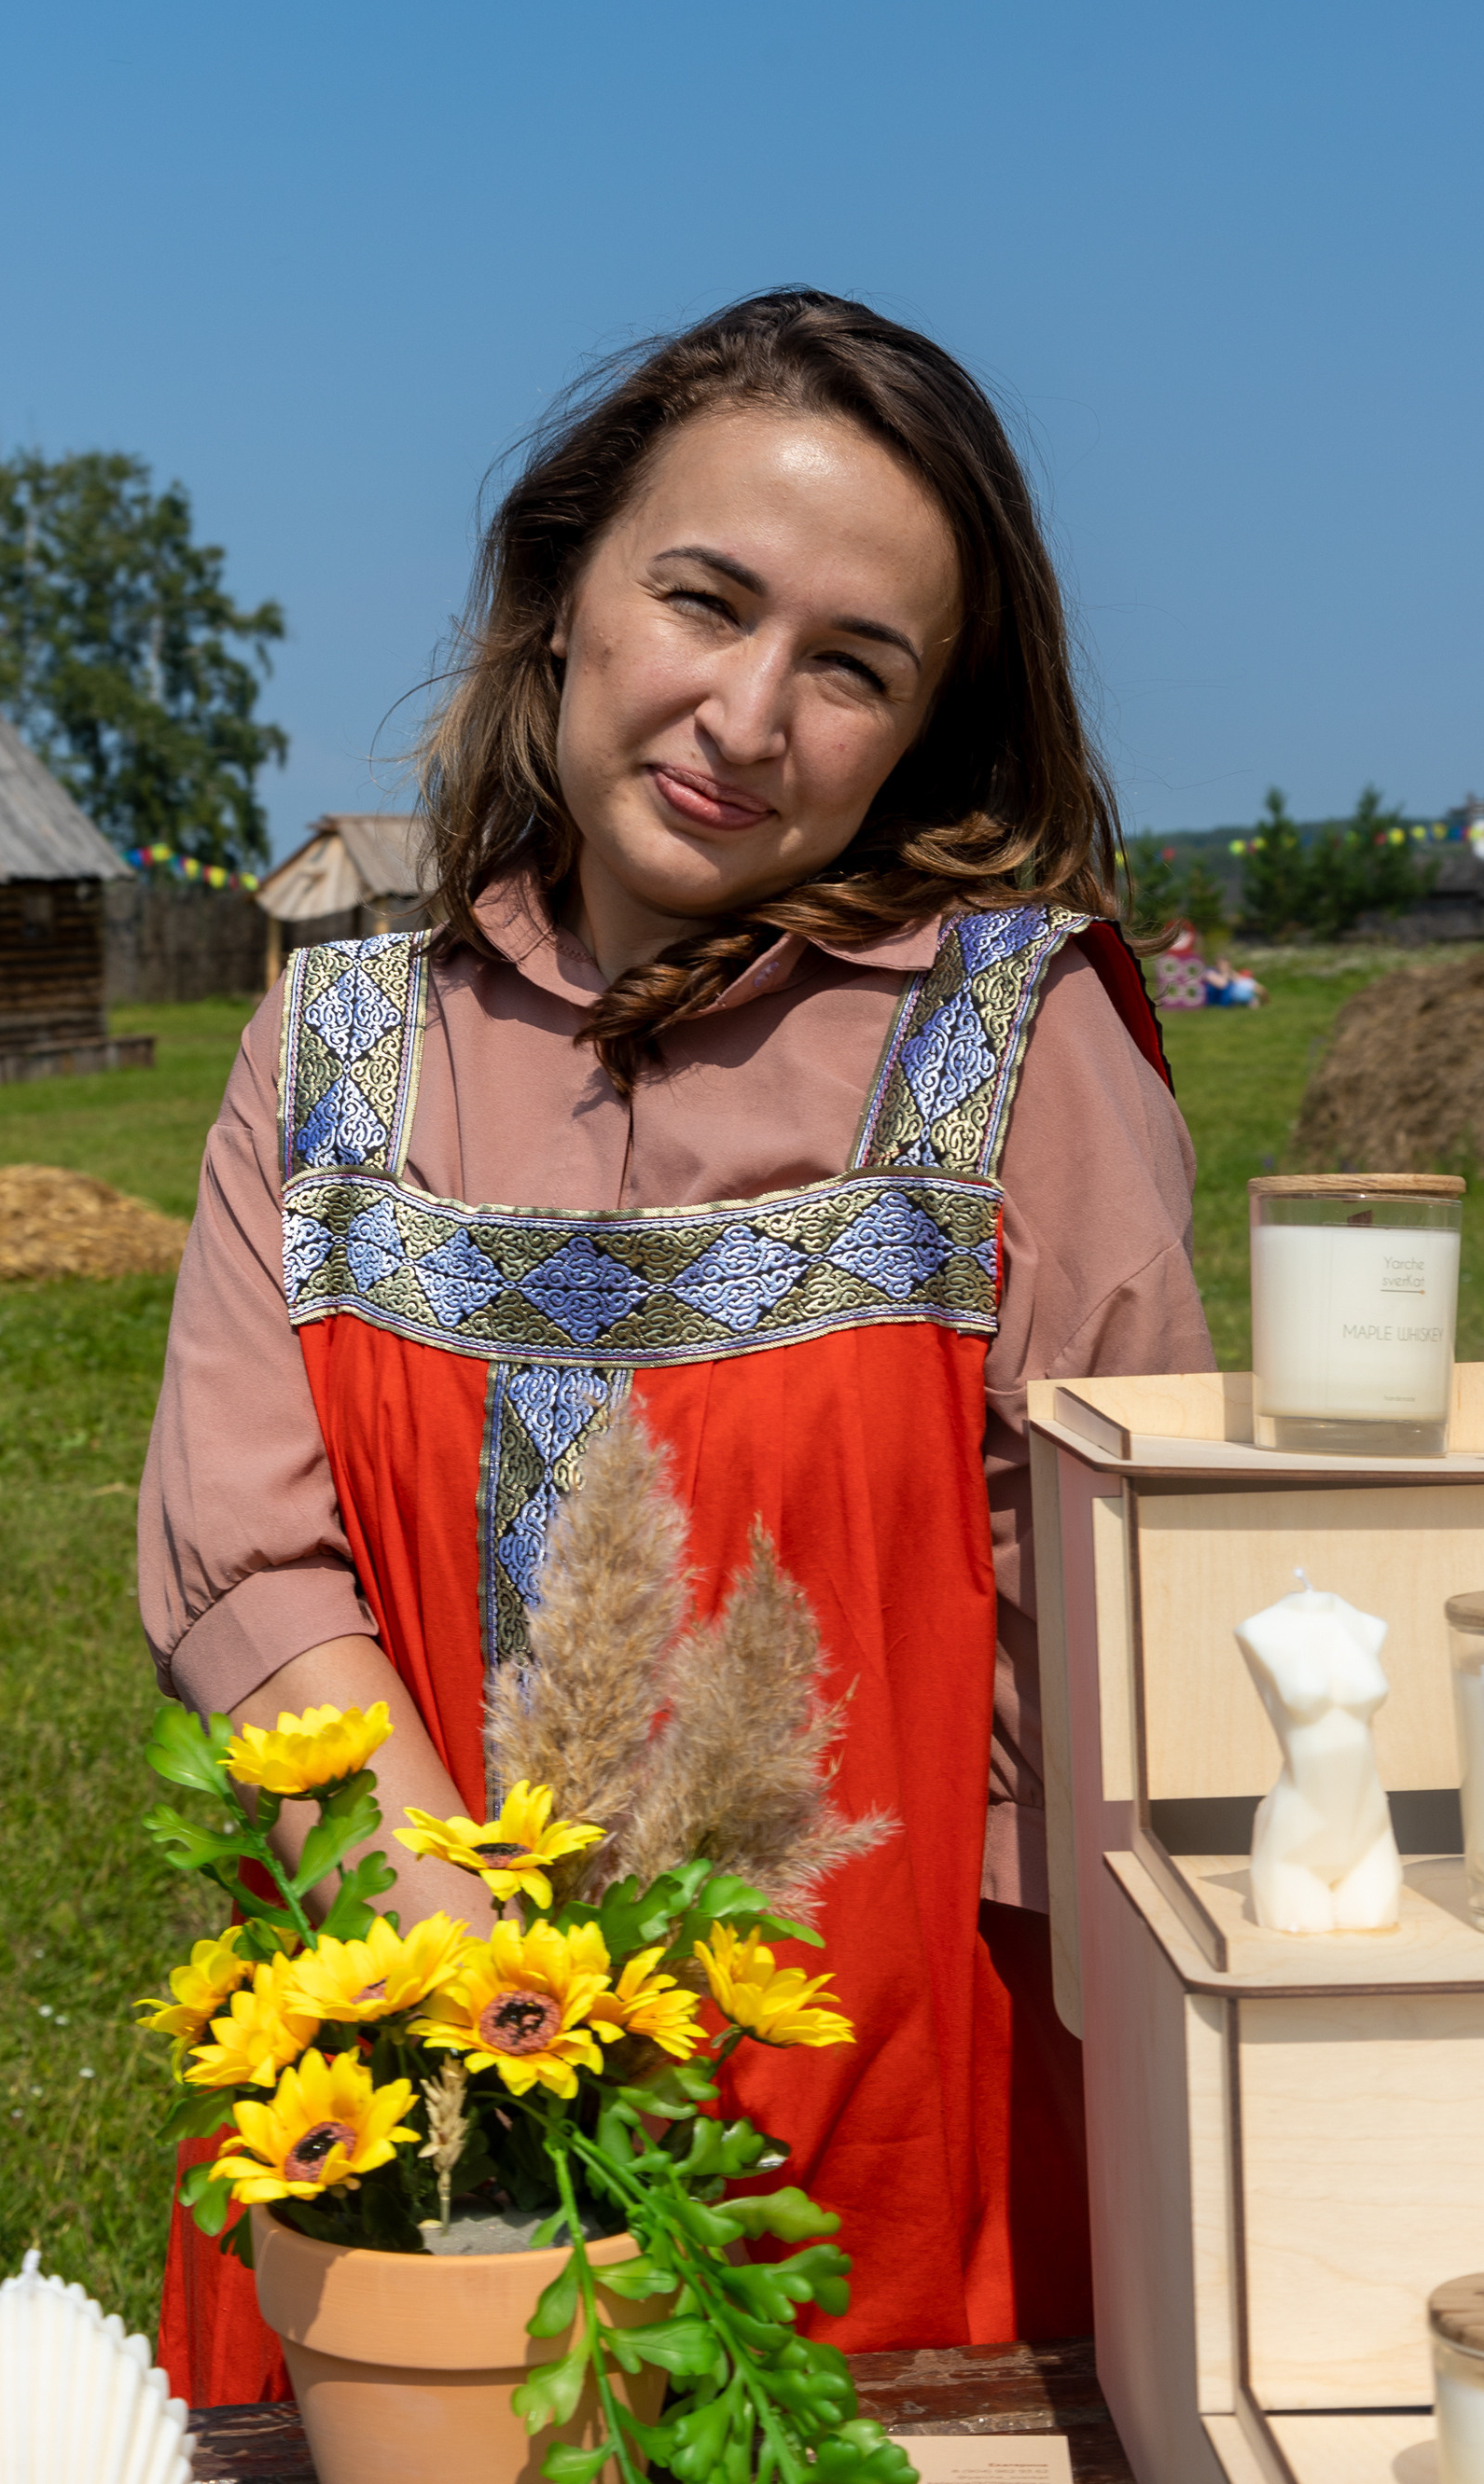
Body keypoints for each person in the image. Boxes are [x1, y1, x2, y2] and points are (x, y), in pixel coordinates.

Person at [138, 289, 1214, 2406]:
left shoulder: (1022, 1048)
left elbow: (1114, 1624)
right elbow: (247, 1564)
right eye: (702, 601)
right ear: (562, 595)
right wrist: (461, 1991)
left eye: (852, 664)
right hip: (397, 2091)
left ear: (926, 727)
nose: (748, 711)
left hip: (885, 2120)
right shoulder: (331, 1053)